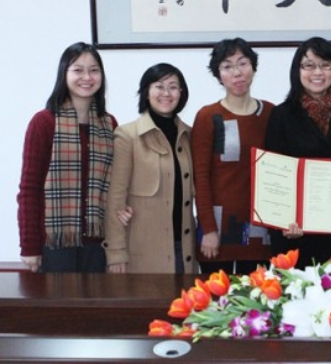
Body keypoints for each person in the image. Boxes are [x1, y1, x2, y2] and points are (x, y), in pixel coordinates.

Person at [17, 42, 117, 273]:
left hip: (98, 243)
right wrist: (29, 246)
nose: (87, 77)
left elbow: (114, 184)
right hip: (54, 244)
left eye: (94, 70)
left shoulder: (109, 124)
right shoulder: (44, 122)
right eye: (78, 70)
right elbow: (29, 189)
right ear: (64, 74)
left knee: (98, 299)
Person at [264, 37, 331, 268]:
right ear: (297, 71)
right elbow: (273, 174)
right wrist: (282, 218)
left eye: (325, 65)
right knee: (291, 289)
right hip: (293, 230)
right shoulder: (281, 115)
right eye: (309, 65)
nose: (317, 72)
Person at [103, 63, 198, 274]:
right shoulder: (127, 136)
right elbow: (115, 198)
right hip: (142, 252)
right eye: (159, 86)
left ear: (181, 93)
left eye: (173, 87)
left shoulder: (190, 136)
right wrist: (116, 252)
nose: (166, 93)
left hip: (183, 249)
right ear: (147, 92)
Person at [192, 38, 274, 274]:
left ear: (253, 68)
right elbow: (200, 177)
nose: (237, 72)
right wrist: (208, 229)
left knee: (258, 295)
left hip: (260, 229)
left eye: (243, 63)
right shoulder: (209, 116)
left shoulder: (270, 113)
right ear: (218, 75)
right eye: (227, 66)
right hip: (218, 229)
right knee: (216, 296)